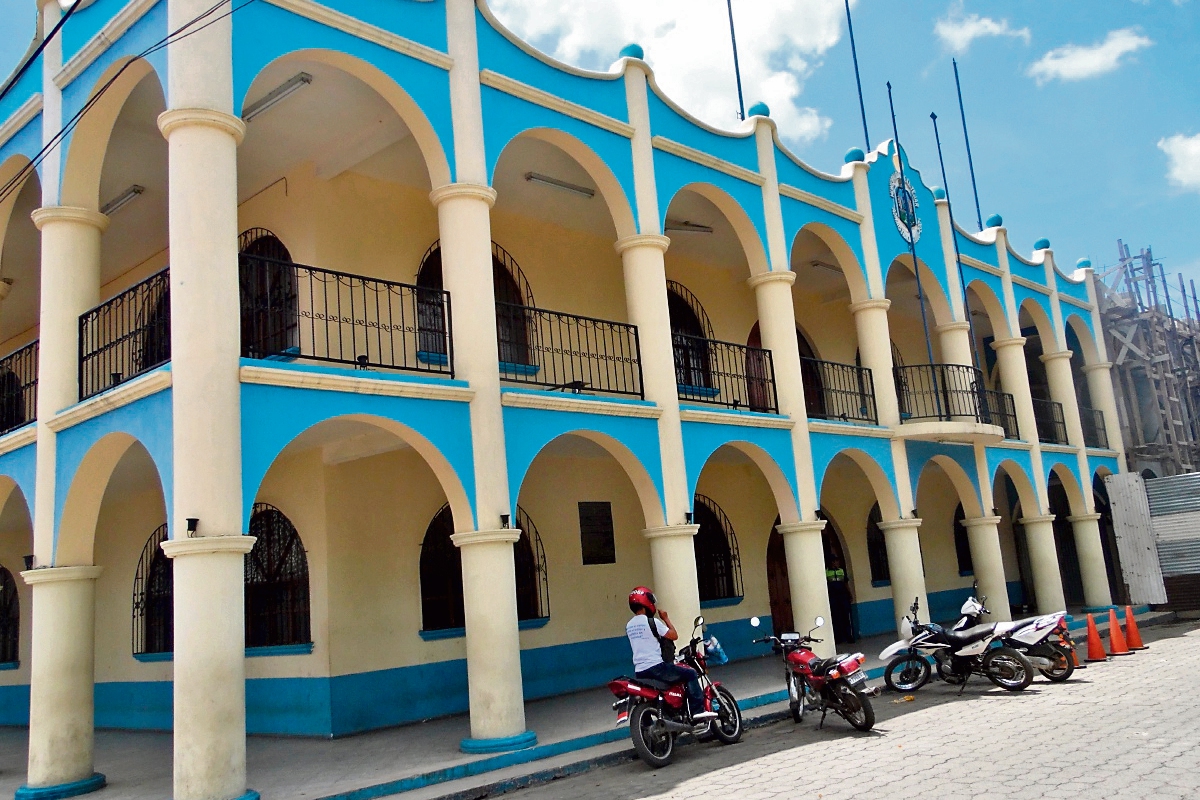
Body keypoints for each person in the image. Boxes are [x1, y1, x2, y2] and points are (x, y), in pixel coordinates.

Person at [626, 586, 716, 721]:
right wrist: (666, 618)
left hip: (640, 671)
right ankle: (697, 711)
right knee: (690, 674)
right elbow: (674, 635)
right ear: (647, 602)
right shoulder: (652, 622)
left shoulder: (629, 625)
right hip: (657, 668)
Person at [826, 555, 856, 643]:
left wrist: (850, 594)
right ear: (832, 562)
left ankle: (848, 636)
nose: (837, 563)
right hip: (833, 598)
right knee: (836, 618)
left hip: (843, 597)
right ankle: (838, 638)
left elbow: (846, 583)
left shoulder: (841, 571)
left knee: (846, 617)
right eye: (836, 561)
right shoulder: (826, 572)